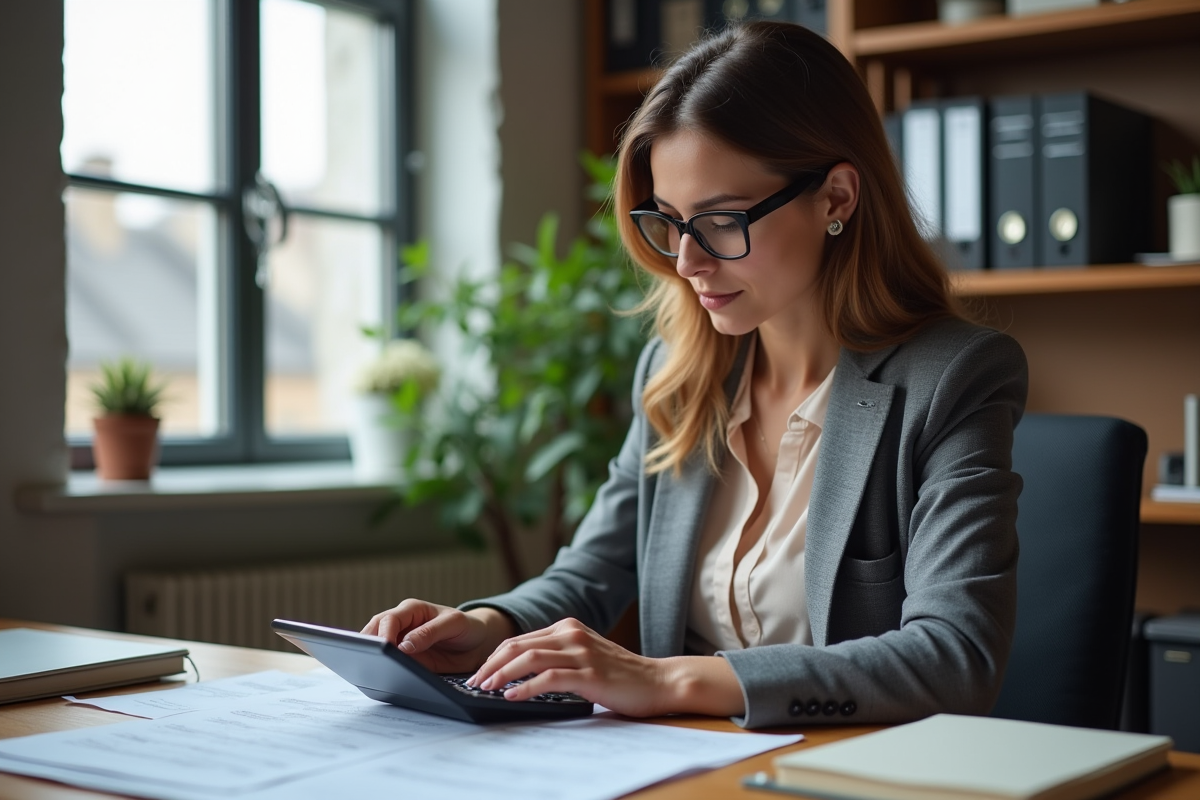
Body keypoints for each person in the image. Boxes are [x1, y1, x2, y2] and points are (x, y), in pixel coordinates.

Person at [363, 20, 1027, 729]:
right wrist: (490, 625)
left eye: (719, 221)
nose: (686, 262)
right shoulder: (679, 372)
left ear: (836, 198)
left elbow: (954, 659)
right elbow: (592, 572)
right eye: (670, 222)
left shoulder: (953, 378)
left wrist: (669, 681)